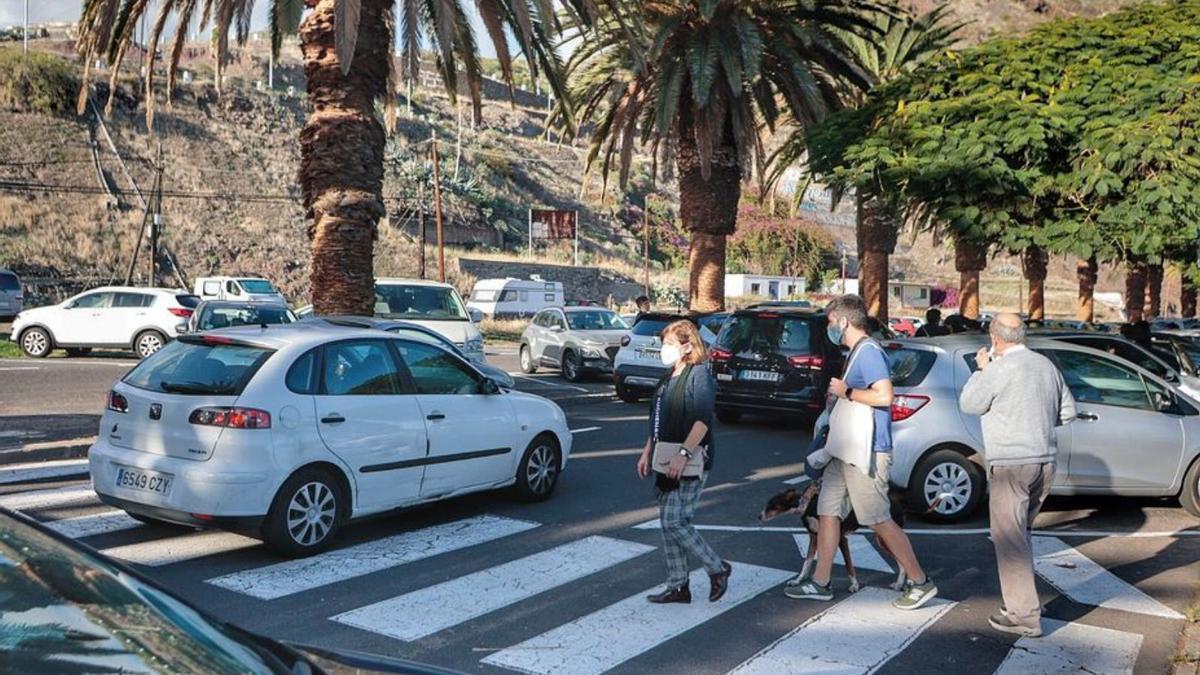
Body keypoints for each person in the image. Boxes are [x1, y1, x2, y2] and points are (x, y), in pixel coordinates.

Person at [787, 295, 938, 609]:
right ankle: (821, 582)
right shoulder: (856, 352)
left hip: (866, 452)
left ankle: (921, 581)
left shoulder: (869, 352)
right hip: (844, 450)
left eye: (830, 322)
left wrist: (847, 392)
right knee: (828, 513)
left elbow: (884, 396)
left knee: (878, 518)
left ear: (843, 322)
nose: (829, 328)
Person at [960, 313, 1076, 638]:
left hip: (1011, 463)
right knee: (1021, 535)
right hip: (1044, 462)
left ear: (994, 338)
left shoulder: (998, 369)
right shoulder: (1046, 367)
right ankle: (1025, 603)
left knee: (1010, 540)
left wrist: (981, 370)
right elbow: (1068, 412)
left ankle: (1024, 615)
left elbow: (969, 403)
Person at [637, 320, 732, 604]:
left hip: (690, 459)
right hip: (665, 456)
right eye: (663, 344)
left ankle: (717, 568)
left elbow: (702, 421)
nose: (664, 349)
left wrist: (683, 455)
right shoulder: (668, 377)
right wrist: (647, 452)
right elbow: (658, 421)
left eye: (670, 344)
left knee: (675, 521)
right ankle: (678, 586)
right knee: (668, 523)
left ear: (687, 346)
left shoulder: (698, 375)